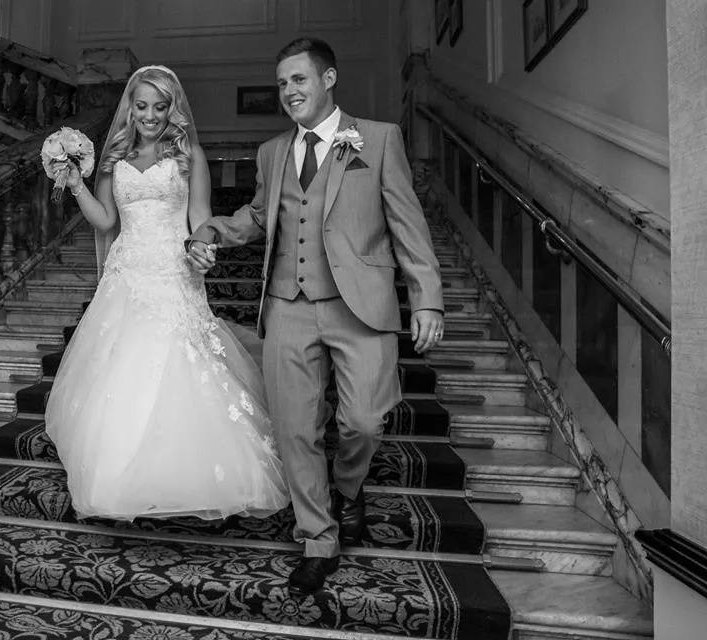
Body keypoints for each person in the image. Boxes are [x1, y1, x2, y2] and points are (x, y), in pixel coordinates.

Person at [186, 38, 445, 596]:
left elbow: (407, 222)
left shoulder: (378, 140)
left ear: (328, 79)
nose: (288, 92)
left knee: (364, 421)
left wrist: (426, 296)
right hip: (287, 305)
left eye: (298, 80)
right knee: (295, 429)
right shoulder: (272, 152)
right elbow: (258, 216)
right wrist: (210, 231)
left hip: (362, 306)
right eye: (281, 84)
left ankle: (347, 490)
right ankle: (318, 537)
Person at [43, 66, 288, 522]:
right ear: (130, 109)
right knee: (124, 370)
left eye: (160, 106)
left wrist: (203, 246)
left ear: (172, 108)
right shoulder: (114, 157)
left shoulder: (188, 154)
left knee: (176, 362)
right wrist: (76, 183)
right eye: (141, 106)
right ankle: (122, 477)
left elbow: (200, 216)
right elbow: (104, 221)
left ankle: (186, 473)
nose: (151, 115)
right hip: (127, 272)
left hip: (173, 270)